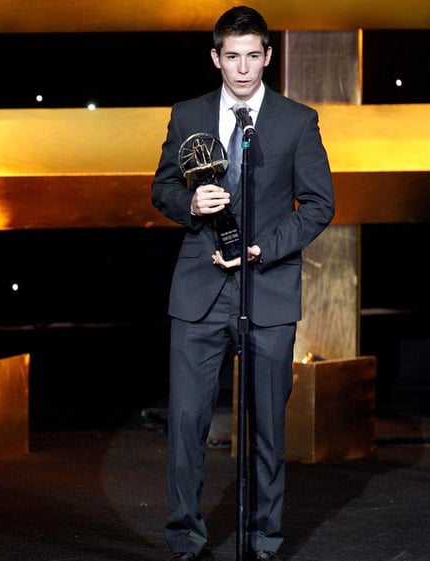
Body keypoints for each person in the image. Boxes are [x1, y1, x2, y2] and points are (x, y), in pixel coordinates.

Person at [150, 6, 335, 561]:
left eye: (253, 55)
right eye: (232, 56)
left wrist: (264, 248)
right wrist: (190, 202)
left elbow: (319, 204)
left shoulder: (296, 120)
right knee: (186, 425)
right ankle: (185, 539)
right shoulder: (188, 114)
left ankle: (262, 540)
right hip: (200, 290)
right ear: (216, 58)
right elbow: (161, 188)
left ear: (268, 57)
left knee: (266, 429)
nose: (243, 67)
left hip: (268, 288)